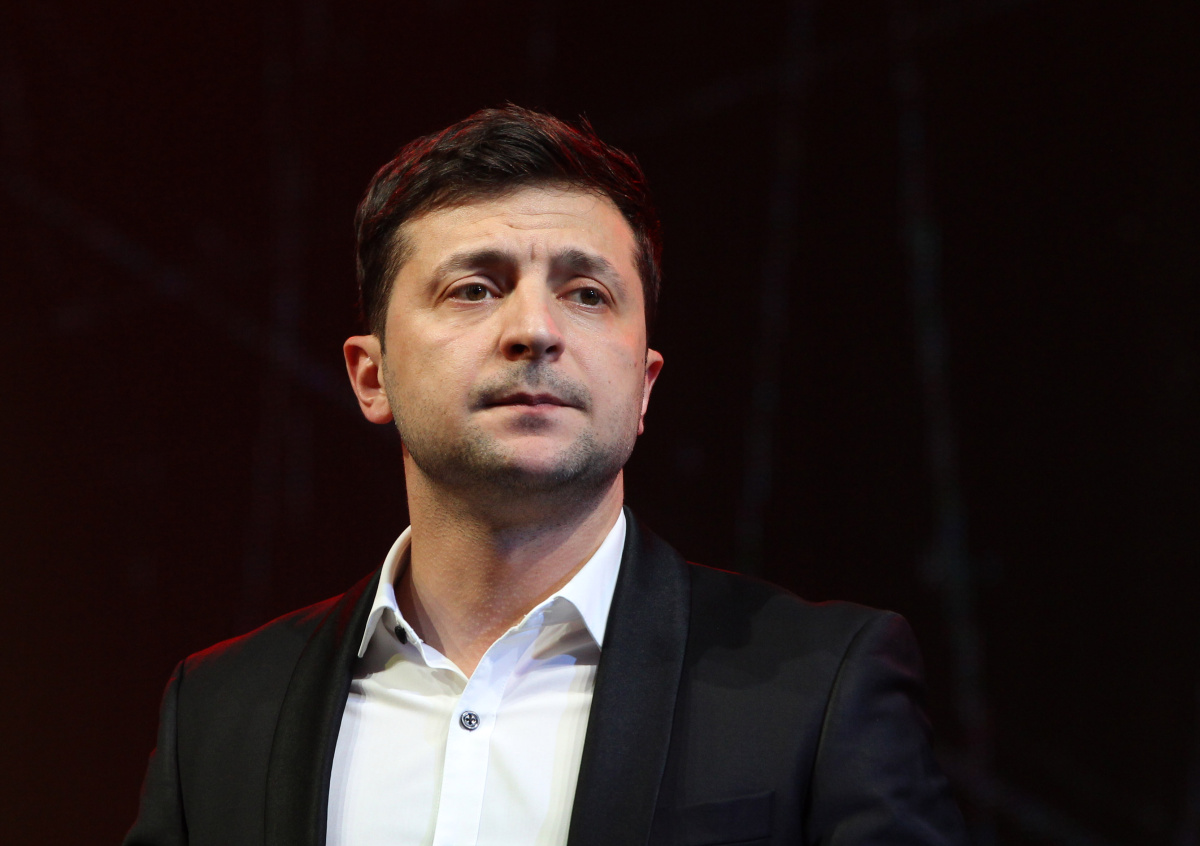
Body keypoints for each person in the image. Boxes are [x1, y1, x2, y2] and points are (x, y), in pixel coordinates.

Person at [124, 105, 966, 846]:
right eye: (473, 289)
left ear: (644, 385)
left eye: (587, 294)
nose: (534, 329)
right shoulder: (220, 711)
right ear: (370, 377)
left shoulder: (822, 687)